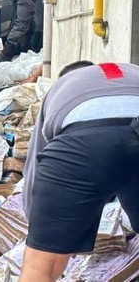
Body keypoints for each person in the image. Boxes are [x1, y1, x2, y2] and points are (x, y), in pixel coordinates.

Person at [21, 61, 139, 282]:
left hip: (83, 144)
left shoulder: (60, 89)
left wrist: (49, 231)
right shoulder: (131, 69)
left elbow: (35, 168)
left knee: (41, 268)